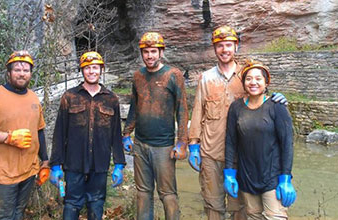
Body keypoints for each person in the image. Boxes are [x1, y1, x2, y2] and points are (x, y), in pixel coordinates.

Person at [188, 25, 288, 220]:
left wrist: (278, 98)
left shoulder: (247, 76)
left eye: (228, 45)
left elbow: (261, 97)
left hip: (242, 155)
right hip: (211, 153)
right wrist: (193, 145)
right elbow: (198, 111)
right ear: (214, 49)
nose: (224, 50)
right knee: (213, 204)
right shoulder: (206, 78)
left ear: (236, 47)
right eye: (220, 46)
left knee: (241, 207)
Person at [0, 50, 49, 220]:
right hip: (1, 174)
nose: (22, 74)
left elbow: (39, 131)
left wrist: (45, 161)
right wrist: (7, 137)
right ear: (8, 73)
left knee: (18, 214)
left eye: (26, 70)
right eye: (17, 70)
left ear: (30, 74)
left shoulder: (34, 98)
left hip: (28, 171)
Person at [49, 51, 125, 220]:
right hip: (73, 163)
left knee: (96, 203)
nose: (92, 71)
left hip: (100, 164)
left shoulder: (111, 99)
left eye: (95, 68)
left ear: (101, 70)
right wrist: (55, 165)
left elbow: (116, 135)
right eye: (88, 68)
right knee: (72, 204)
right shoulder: (69, 97)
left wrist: (119, 164)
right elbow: (59, 133)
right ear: (82, 70)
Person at [122, 32, 189, 220]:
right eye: (146, 52)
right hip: (141, 143)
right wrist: (126, 133)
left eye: (153, 51)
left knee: (167, 193)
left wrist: (182, 142)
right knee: (143, 192)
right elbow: (134, 107)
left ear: (161, 52)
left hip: (164, 146)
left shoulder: (173, 75)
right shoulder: (138, 76)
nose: (149, 56)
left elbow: (182, 109)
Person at [224, 60, 296, 220]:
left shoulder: (277, 106)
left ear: (266, 82)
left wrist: (286, 177)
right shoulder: (236, 108)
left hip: (272, 177)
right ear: (243, 83)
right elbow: (230, 142)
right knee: (253, 217)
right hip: (247, 176)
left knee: (275, 217)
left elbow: (287, 144)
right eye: (248, 79)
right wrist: (229, 173)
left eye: (258, 78)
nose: (253, 82)